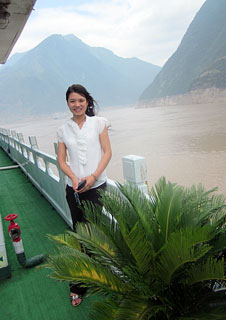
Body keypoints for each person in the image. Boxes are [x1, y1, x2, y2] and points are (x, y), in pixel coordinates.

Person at [57, 84, 112, 306]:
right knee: (80, 234)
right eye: (72, 101)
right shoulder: (63, 130)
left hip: (97, 188)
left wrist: (93, 176)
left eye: (80, 100)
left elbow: (107, 152)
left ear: (87, 101)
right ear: (68, 104)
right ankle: (78, 285)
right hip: (75, 191)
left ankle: (102, 278)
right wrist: (72, 177)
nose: (77, 104)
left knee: (98, 234)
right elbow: (62, 159)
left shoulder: (99, 123)